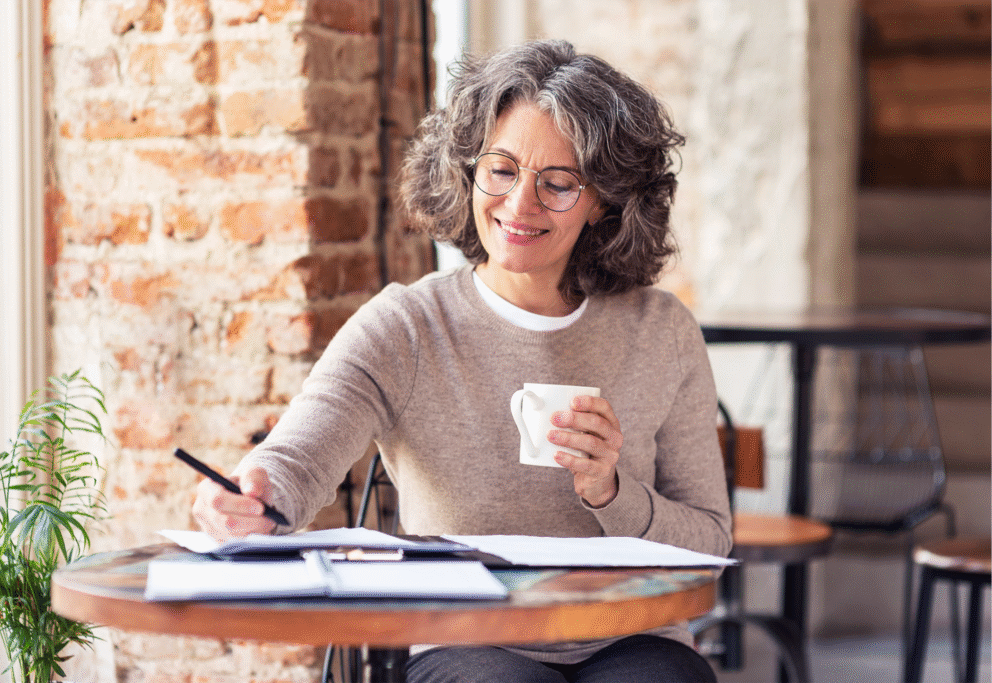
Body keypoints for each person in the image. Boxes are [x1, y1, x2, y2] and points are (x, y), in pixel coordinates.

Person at [193, 39, 731, 683]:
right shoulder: (407, 326)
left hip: (630, 638)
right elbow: (294, 460)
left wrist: (611, 492)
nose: (520, 205)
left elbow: (709, 542)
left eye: (558, 184)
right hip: (465, 638)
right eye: (501, 170)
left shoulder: (662, 332)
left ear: (605, 203)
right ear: (467, 171)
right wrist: (252, 498)